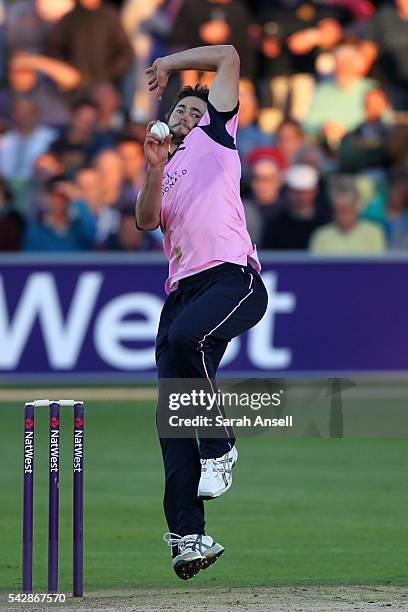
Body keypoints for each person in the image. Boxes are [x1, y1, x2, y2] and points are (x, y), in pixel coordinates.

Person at [136, 45, 268, 580]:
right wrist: (152, 168)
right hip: (182, 291)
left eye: (196, 110)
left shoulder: (218, 138)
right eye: (180, 111)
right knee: (172, 421)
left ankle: (221, 446)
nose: (187, 116)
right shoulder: (163, 165)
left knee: (190, 338)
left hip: (232, 278)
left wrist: (168, 66)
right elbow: (147, 221)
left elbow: (231, 54)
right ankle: (187, 536)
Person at [261, 164, 330, 249]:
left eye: (305, 192)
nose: (301, 197)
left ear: (315, 191)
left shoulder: (325, 221)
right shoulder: (276, 224)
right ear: (288, 192)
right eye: (296, 192)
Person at [309, 177, 386, 254]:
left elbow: (378, 264)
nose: (343, 216)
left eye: (348, 210)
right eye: (339, 211)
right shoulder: (321, 236)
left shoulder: (374, 233)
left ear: (357, 208)